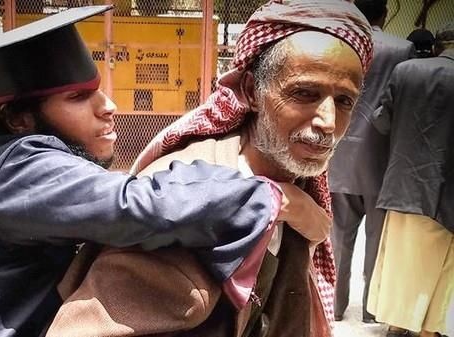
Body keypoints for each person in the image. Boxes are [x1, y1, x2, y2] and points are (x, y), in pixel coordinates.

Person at [0, 5, 329, 337]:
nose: (107, 105)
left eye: (98, 89)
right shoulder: (22, 166)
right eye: (79, 98)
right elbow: (135, 205)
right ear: (21, 120)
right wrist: (268, 196)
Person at [48, 1, 372, 336]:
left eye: (344, 101)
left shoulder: (295, 180)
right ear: (251, 92)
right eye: (304, 93)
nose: (329, 122)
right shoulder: (188, 196)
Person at [328, 0, 415, 323]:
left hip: (338, 157)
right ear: (385, 13)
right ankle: (371, 311)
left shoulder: (340, 45)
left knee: (338, 239)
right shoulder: (402, 50)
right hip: (382, 160)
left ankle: (334, 308)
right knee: (378, 244)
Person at [368, 22, 454, 337]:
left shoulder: (406, 71)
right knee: (439, 281)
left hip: (403, 185)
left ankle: (398, 327)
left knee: (401, 272)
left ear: (437, 46)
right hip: (446, 198)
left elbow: (381, 121)